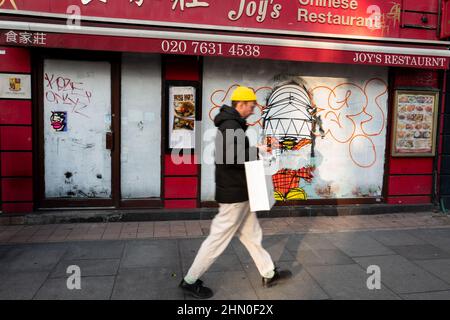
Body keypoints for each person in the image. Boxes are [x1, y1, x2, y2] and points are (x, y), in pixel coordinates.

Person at [179, 86, 292, 299]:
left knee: (251, 235)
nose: (252, 110)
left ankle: (269, 273)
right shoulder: (231, 125)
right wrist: (257, 153)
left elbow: (235, 152)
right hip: (234, 193)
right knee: (218, 238)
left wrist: (256, 148)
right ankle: (190, 280)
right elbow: (230, 157)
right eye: (250, 106)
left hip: (239, 190)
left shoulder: (232, 124)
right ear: (240, 104)